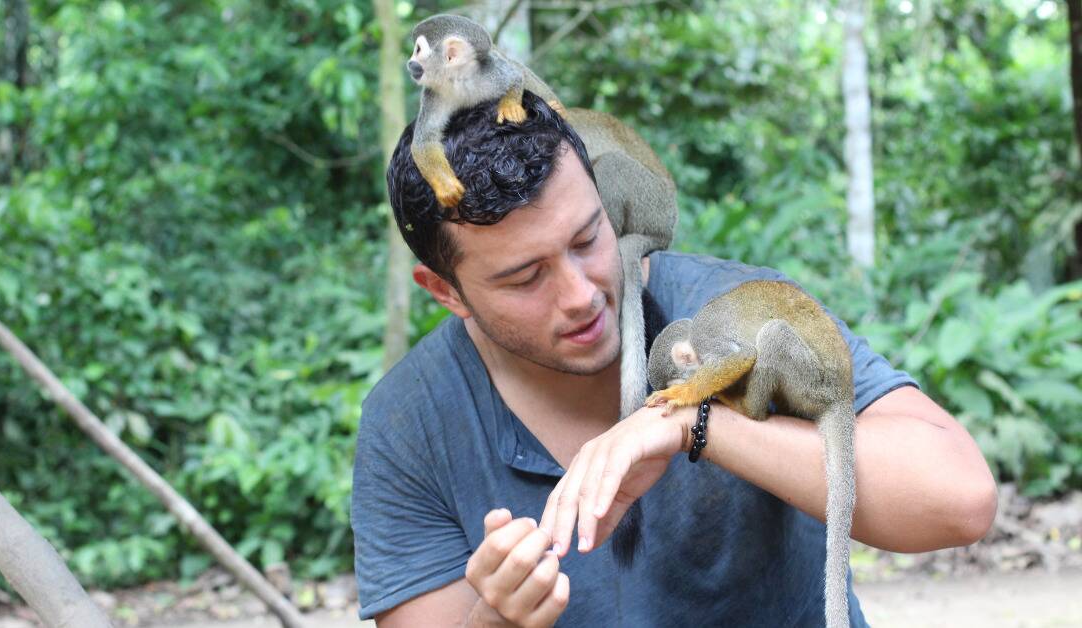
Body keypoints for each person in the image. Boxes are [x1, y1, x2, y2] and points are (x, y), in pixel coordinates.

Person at [351, 92, 997, 627]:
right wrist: (494, 616)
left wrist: (696, 424)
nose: (581, 295)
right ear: (445, 292)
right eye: (526, 278)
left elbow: (960, 500)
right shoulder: (411, 421)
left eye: (587, 238)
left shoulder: (729, 306)